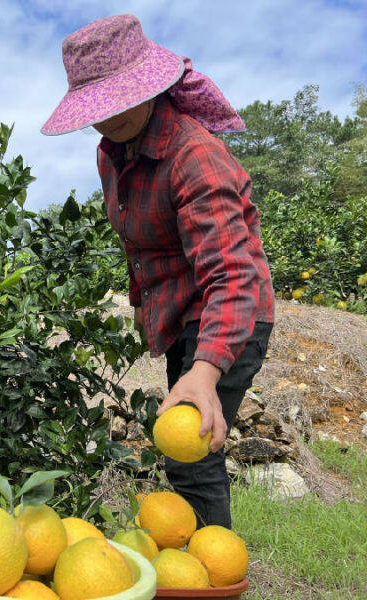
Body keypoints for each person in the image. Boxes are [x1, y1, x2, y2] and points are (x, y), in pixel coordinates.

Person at [41, 14, 275, 529]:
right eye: (98, 108)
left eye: (121, 100)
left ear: (151, 86)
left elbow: (233, 276)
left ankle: (209, 572)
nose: (109, 117)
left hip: (228, 315)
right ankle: (191, 566)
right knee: (188, 454)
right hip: (182, 315)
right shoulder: (114, 153)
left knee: (191, 457)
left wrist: (206, 371)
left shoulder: (194, 155)